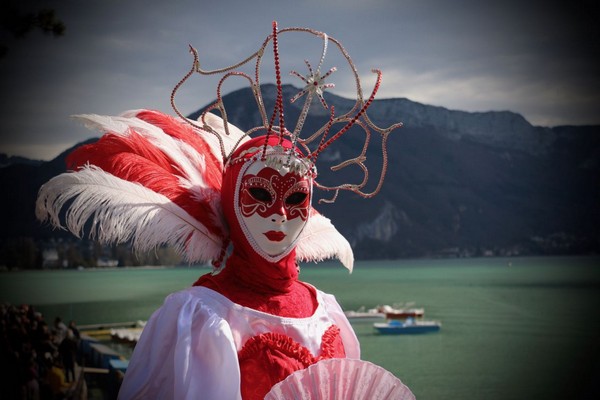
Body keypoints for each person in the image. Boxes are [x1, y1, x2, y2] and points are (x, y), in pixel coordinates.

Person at [36, 22, 405, 399]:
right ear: (230, 199)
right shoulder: (200, 314)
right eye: (260, 194)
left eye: (295, 198)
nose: (278, 213)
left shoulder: (326, 310)